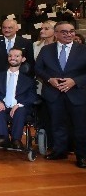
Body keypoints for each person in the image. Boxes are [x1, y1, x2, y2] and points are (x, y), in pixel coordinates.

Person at [36, 21, 86, 168]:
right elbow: (38, 69)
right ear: (56, 34)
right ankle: (59, 151)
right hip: (54, 93)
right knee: (57, 124)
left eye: (71, 31)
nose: (69, 34)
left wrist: (75, 81)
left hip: (77, 94)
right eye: (64, 32)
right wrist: (49, 79)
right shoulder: (46, 50)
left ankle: (82, 155)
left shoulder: (83, 49)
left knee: (80, 126)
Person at [0, 47, 38, 149]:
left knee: (21, 110)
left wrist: (19, 105)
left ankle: (16, 140)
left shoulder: (28, 80)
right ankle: (3, 138)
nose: (13, 58)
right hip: (3, 105)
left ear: (23, 59)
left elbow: (32, 96)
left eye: (17, 56)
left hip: (19, 107)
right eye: (10, 56)